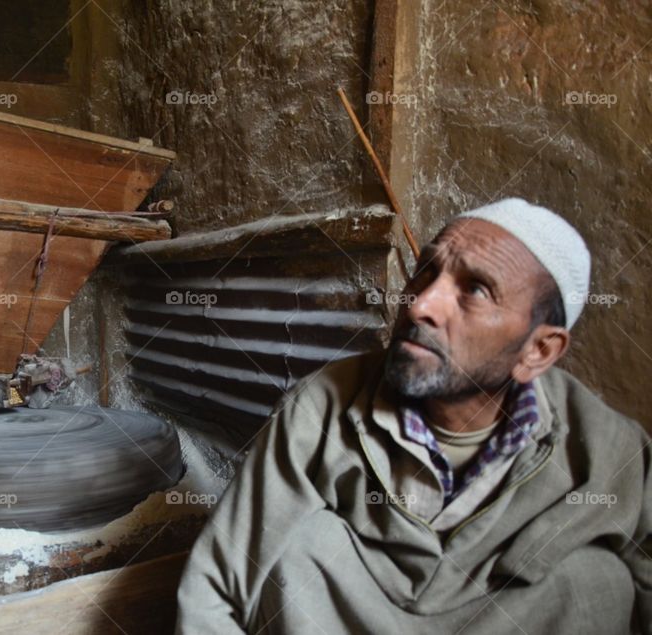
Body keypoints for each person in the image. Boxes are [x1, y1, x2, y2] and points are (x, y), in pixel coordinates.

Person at [175, 198, 651, 634]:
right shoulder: (321, 405)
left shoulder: (607, 448)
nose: (421, 304)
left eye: (477, 290)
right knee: (299, 545)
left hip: (505, 621)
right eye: (426, 271)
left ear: (539, 350)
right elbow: (216, 581)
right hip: (358, 617)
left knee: (598, 579)